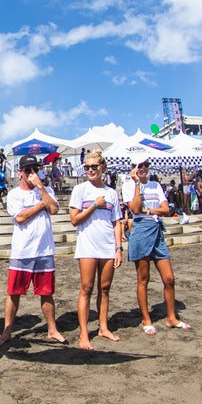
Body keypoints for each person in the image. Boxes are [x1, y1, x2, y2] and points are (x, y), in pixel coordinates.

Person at [0, 155, 67, 346]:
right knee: (14, 292)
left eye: (34, 169)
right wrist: (40, 204)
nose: (31, 174)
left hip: (44, 250)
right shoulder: (14, 194)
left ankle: (52, 329)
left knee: (47, 292)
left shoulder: (47, 190)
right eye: (27, 170)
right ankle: (7, 331)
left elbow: (53, 209)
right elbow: (20, 218)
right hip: (22, 251)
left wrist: (41, 189)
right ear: (20, 172)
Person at [122, 155, 191, 335]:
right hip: (141, 229)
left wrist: (149, 210)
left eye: (145, 164)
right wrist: (137, 184)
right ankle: (146, 319)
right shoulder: (128, 186)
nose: (142, 168)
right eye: (139, 165)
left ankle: (171, 318)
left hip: (156, 228)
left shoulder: (156, 185)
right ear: (133, 167)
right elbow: (136, 210)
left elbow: (166, 209)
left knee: (169, 278)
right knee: (143, 278)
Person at [69, 150, 123, 350]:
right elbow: (75, 220)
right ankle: (84, 333)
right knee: (86, 288)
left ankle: (103, 327)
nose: (90, 170)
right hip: (88, 246)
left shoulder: (111, 193)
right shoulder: (80, 190)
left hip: (108, 245)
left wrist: (118, 249)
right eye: (87, 167)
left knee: (105, 288)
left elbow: (117, 222)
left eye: (94, 166)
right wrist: (93, 205)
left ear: (103, 168)